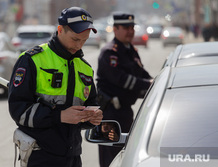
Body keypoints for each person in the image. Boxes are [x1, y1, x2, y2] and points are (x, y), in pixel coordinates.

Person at [8, 6, 103, 167]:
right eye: (75, 39)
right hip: (40, 155)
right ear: (60, 30)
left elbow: (90, 104)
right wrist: (59, 116)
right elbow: (18, 110)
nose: (79, 45)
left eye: (84, 40)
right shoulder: (32, 60)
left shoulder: (85, 68)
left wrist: (92, 117)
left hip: (72, 156)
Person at [96, 12, 153, 167]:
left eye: (132, 27)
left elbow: (143, 74)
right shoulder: (109, 53)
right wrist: (150, 85)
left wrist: (155, 82)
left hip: (125, 113)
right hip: (110, 116)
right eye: (126, 27)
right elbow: (123, 80)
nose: (130, 31)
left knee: (127, 157)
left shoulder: (131, 51)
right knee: (111, 160)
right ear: (115, 29)